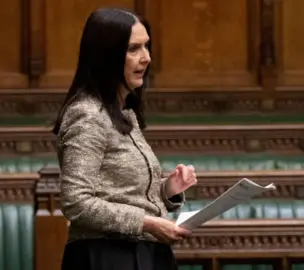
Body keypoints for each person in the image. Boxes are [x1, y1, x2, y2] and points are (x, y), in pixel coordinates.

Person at [52, 7, 197, 270]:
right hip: (107, 257)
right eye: (134, 49)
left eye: (147, 47)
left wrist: (166, 190)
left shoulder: (123, 113)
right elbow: (76, 202)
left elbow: (121, 193)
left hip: (142, 254)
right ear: (106, 56)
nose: (147, 58)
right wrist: (147, 222)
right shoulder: (87, 114)